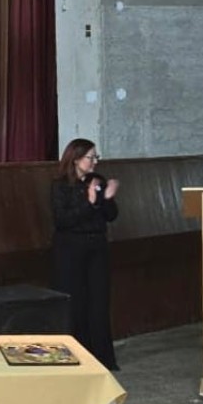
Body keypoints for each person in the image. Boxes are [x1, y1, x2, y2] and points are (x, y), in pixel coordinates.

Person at [50, 139, 120, 370]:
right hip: (70, 250)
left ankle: (102, 358)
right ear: (76, 159)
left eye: (96, 157)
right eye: (91, 157)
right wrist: (90, 203)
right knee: (76, 303)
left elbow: (111, 216)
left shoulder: (96, 181)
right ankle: (76, 355)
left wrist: (107, 198)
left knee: (99, 302)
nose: (95, 162)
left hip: (97, 248)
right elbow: (63, 220)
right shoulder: (60, 186)